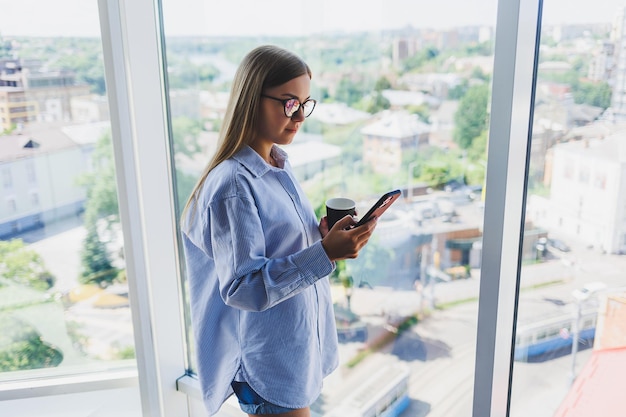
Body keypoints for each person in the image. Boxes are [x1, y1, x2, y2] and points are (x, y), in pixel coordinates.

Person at [180, 45, 378, 417]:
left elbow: (276, 249)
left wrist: (320, 239)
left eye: (306, 103)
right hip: (268, 367)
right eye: (289, 103)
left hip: (291, 354)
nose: (300, 115)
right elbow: (244, 285)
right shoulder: (233, 186)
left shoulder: (278, 165)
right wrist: (325, 253)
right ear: (252, 99)